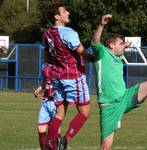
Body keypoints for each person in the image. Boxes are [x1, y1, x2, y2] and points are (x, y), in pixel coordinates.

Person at [91, 14, 147, 150]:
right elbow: (96, 41)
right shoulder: (102, 53)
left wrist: (124, 45)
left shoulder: (118, 56)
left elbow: (121, 49)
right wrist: (101, 25)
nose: (123, 46)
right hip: (110, 106)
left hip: (125, 97)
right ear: (111, 45)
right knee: (105, 147)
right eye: (120, 44)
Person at [42, 3, 94, 150]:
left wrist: (60, 64)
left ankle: (50, 144)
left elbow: (47, 58)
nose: (68, 12)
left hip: (57, 77)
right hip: (74, 77)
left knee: (59, 114)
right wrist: (95, 58)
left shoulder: (46, 34)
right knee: (84, 112)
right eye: (64, 11)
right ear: (57, 16)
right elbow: (82, 52)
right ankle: (65, 141)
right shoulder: (68, 33)